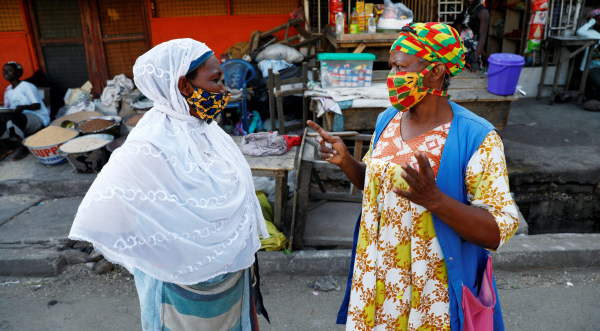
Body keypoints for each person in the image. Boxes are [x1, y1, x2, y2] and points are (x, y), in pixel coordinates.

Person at [308, 22, 519, 330]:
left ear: (434, 71)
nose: (392, 78)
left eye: (399, 67)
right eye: (391, 68)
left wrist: (436, 201)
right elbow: (377, 185)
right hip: (379, 274)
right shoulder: (388, 119)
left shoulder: (476, 137)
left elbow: (496, 231)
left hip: (432, 287)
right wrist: (346, 162)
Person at [69, 39, 270, 330]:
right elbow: (104, 214)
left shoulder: (209, 131)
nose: (224, 90)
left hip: (231, 278)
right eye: (215, 80)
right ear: (184, 86)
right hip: (176, 293)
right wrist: (166, 241)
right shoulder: (149, 144)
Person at [1, 61, 50, 161]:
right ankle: (5, 148)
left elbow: (37, 105)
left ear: (18, 73)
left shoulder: (26, 86)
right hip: (21, 119)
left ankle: (23, 147)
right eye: (4, 71)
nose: (6, 73)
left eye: (10, 70)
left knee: (12, 117)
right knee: (5, 117)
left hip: (37, 117)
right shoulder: (8, 90)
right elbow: (7, 108)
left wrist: (22, 108)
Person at [457, 0, 489, 73]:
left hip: (473, 53)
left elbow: (482, 37)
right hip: (462, 51)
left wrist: (474, 60)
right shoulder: (468, 10)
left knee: (471, 77)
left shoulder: (483, 12)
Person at [576, 9, 600, 107]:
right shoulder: (590, 33)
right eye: (598, 20)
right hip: (591, 67)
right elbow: (579, 32)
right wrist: (591, 22)